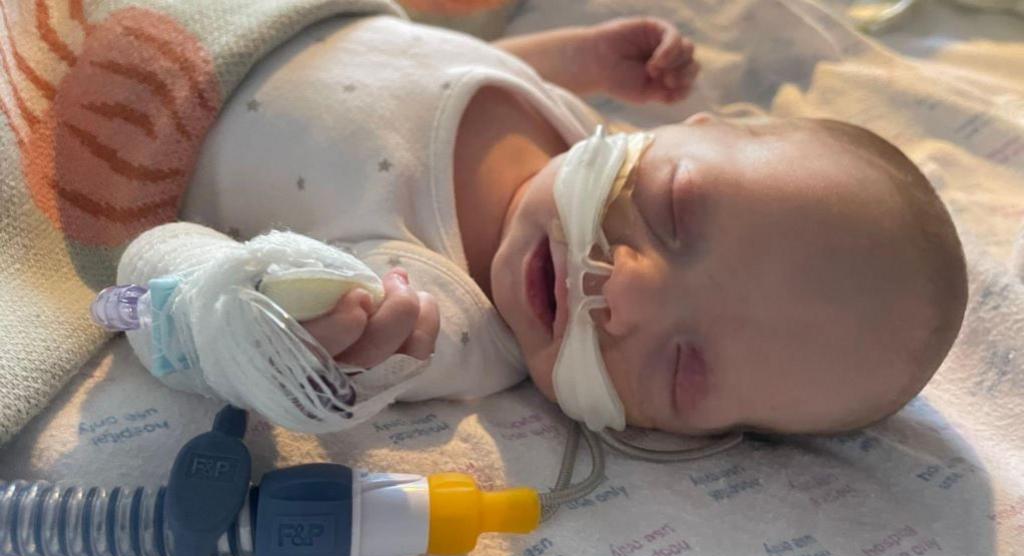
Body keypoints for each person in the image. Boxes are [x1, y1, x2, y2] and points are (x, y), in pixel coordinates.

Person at [181, 14, 967, 436]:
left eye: (681, 368)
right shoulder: (569, 128)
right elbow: (435, 72)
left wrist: (330, 346)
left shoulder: (449, 323)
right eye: (676, 211)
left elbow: (340, 347)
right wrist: (573, 61)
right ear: (691, 126)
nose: (625, 291)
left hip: (163, 100)